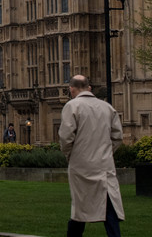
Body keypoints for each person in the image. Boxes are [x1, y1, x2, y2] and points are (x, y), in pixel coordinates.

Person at [59, 75, 124, 237]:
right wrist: (106, 153)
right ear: (89, 88)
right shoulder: (107, 107)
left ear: (71, 89)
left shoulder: (72, 106)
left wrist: (72, 156)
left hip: (81, 167)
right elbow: (117, 137)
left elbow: (66, 139)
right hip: (104, 166)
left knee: (80, 209)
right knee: (109, 209)